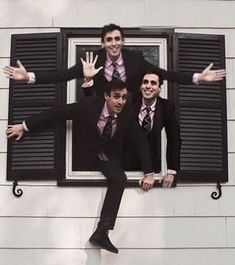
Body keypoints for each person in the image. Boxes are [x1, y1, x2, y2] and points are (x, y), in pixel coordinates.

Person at [6, 81, 155, 254]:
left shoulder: (127, 114)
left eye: (123, 97)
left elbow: (140, 141)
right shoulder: (88, 106)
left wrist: (149, 173)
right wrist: (25, 126)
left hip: (106, 156)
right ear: (106, 96)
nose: (120, 101)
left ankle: (102, 232)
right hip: (81, 157)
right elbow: (57, 113)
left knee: (120, 178)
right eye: (116, 97)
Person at [3, 24, 226, 97]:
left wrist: (198, 78)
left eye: (117, 39)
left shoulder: (136, 59)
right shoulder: (91, 60)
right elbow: (62, 75)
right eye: (109, 40)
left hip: (130, 112)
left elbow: (165, 74)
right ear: (103, 43)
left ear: (122, 41)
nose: (114, 43)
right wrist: (29, 77)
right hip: (101, 113)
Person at [125, 71, 181, 188]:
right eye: (145, 82)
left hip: (152, 163)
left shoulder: (167, 107)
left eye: (153, 83)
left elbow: (174, 139)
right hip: (126, 164)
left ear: (159, 88)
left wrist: (171, 171)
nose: (148, 86)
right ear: (141, 86)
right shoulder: (129, 102)